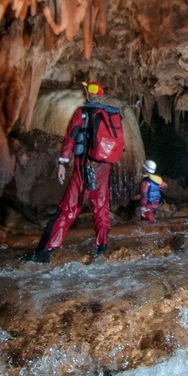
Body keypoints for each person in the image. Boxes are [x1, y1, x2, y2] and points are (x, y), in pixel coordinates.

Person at [29, 81, 125, 262]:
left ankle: (47, 250)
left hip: (85, 166)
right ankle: (101, 248)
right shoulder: (111, 115)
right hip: (104, 167)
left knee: (69, 208)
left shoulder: (83, 113)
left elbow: (71, 138)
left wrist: (62, 163)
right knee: (101, 206)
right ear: (102, 95)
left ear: (88, 95)